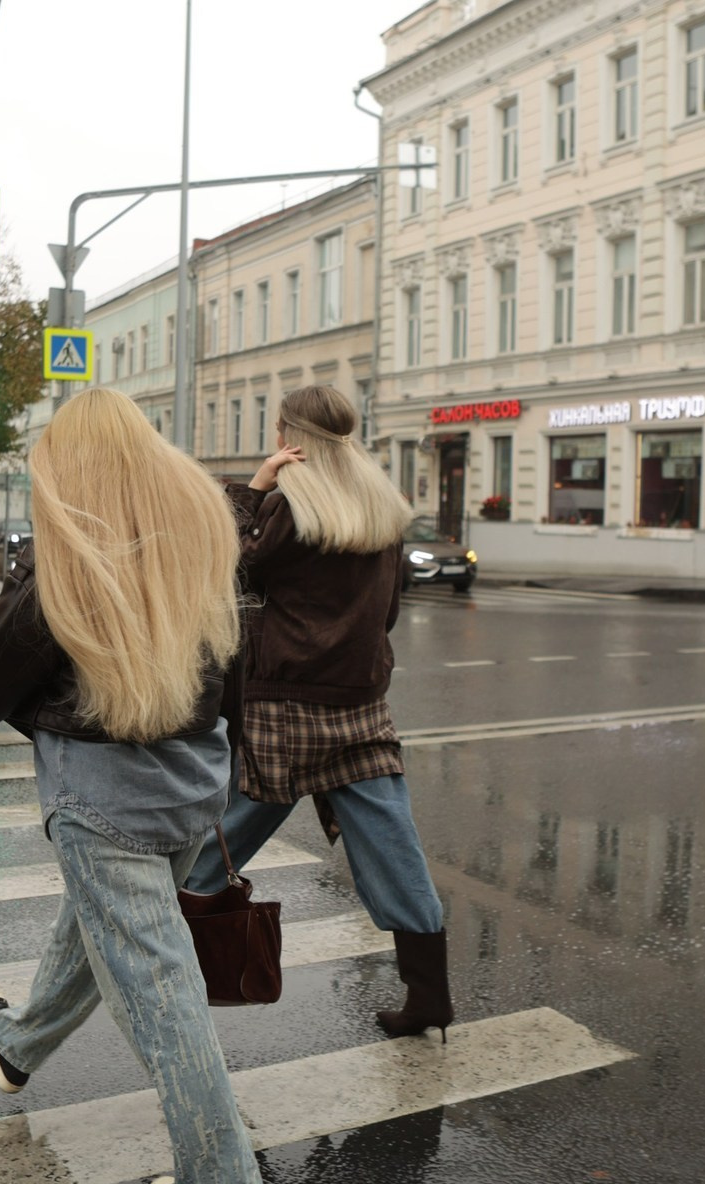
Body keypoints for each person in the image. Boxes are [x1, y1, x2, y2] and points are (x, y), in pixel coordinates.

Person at [0, 389, 261, 1184]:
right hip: (194, 781)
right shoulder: (197, 531)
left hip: (101, 802)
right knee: (97, 932)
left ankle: (221, 1174)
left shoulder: (75, 551)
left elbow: (0, 664)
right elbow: (234, 657)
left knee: (165, 1003)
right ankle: (17, 1047)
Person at [185, 384, 454, 1042]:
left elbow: (227, 572)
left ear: (287, 435)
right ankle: (429, 995)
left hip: (282, 708)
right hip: (359, 706)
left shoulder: (287, 510)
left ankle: (180, 980)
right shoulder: (384, 508)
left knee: (210, 853)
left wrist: (253, 486)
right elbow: (386, 614)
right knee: (395, 851)